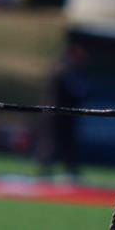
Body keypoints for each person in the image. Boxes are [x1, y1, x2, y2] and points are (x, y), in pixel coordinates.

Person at [37, 40, 90, 182]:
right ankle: (45, 167)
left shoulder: (74, 70)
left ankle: (69, 167)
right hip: (56, 111)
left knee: (67, 141)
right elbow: (70, 90)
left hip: (66, 112)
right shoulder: (63, 69)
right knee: (52, 140)